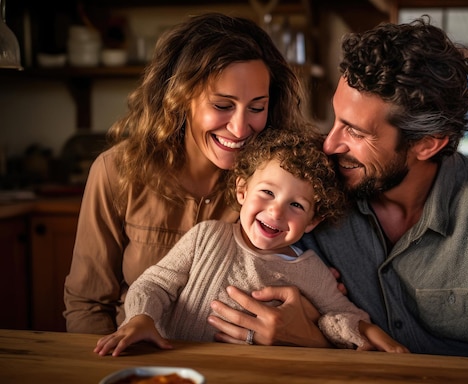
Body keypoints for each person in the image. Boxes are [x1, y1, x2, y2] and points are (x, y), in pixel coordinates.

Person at [206, 17, 468, 363]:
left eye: (356, 131)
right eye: (336, 120)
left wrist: (313, 339)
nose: (330, 144)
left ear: (427, 144)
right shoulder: (312, 192)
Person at [63, 12, 308, 335]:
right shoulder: (116, 171)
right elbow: (88, 304)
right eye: (222, 105)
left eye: (257, 107)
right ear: (179, 99)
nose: (239, 128)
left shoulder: (284, 184)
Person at [93, 127, 409, 357]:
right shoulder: (206, 237)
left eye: (296, 205)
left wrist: (365, 329)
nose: (276, 211)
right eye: (267, 193)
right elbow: (155, 284)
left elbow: (335, 314)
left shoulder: (310, 268)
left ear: (313, 221)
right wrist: (140, 319)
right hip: (172, 364)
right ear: (242, 191)